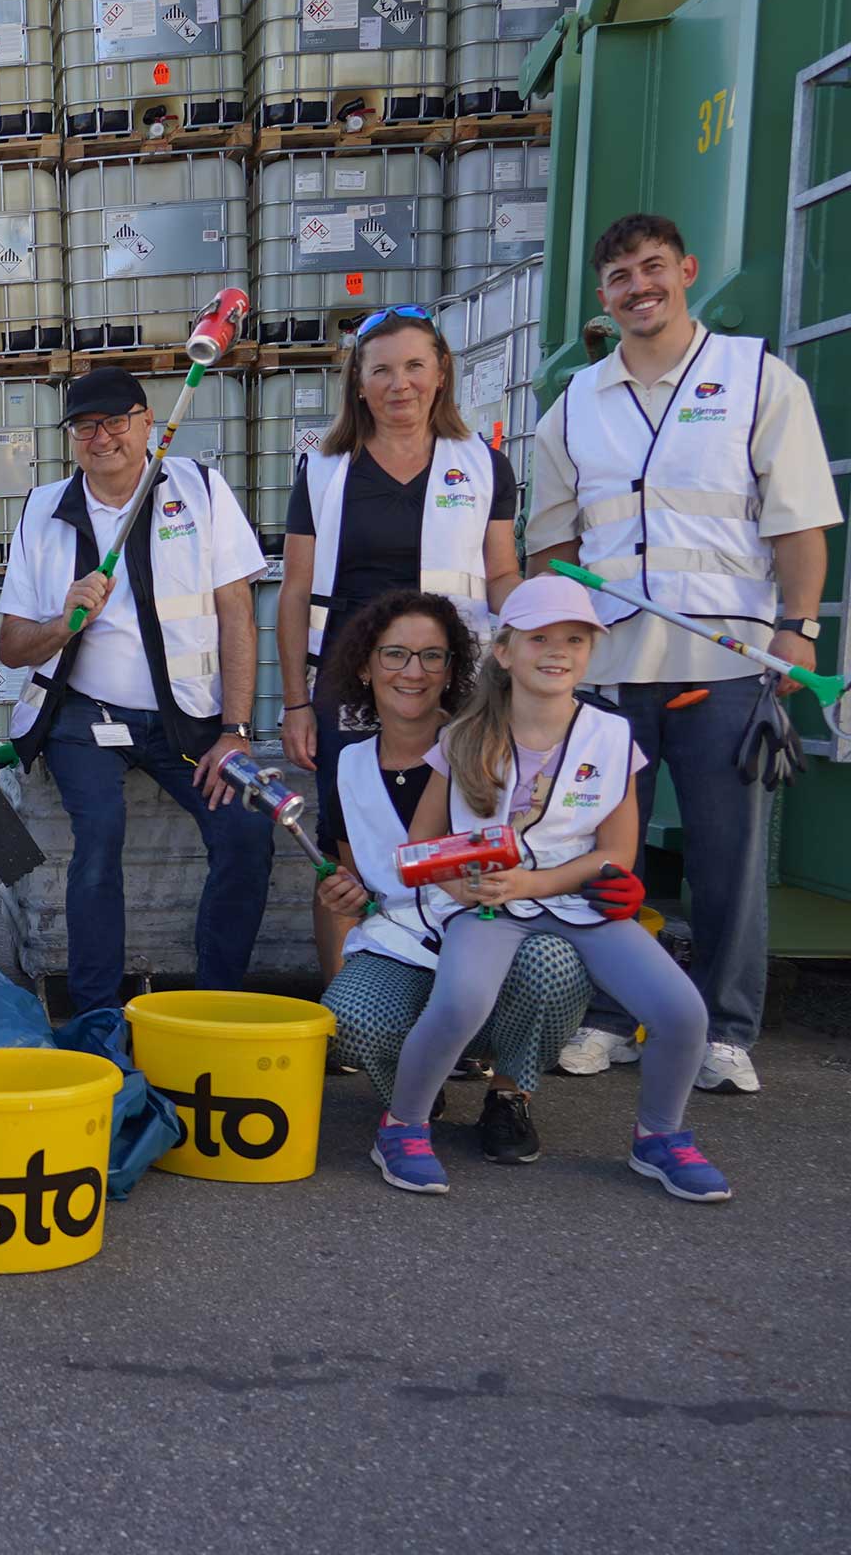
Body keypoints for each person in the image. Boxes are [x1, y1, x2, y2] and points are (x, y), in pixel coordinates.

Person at [527, 212, 841, 1095]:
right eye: (621, 276)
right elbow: (552, 549)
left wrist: (800, 629)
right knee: (598, 851)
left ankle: (726, 1027)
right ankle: (600, 1016)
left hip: (730, 664)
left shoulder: (757, 380)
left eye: (653, 268)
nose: (639, 287)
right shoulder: (574, 405)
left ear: (687, 271)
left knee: (725, 857)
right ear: (603, 297)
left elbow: (801, 522)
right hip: (608, 674)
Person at [371, 575, 729, 1201]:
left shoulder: (612, 735)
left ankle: (659, 1139)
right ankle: (402, 1126)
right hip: (488, 908)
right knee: (459, 1003)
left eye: (574, 638)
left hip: (573, 900)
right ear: (505, 652)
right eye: (539, 638)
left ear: (591, 651)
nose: (558, 651)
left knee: (681, 1012)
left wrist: (537, 881)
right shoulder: (462, 736)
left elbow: (616, 852)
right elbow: (420, 849)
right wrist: (458, 887)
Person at [0, 367, 274, 1017]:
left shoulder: (201, 490)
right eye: (85, 426)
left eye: (116, 421)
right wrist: (63, 620)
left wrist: (234, 731)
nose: (102, 438)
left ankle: (216, 1004)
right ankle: (97, 1017)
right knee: (100, 833)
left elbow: (238, 614)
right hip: (82, 719)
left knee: (245, 832)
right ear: (71, 437)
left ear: (148, 422)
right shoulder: (43, 509)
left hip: (190, 721)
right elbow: (11, 646)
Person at [279, 306, 522, 981]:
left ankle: (462, 998)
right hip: (352, 683)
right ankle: (348, 1003)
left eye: (415, 366)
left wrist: (531, 624)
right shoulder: (326, 471)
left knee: (463, 827)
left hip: (457, 679)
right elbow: (295, 590)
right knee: (345, 839)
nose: (400, 384)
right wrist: (297, 703)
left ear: (441, 374)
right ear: (359, 384)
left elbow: (502, 571)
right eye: (381, 369)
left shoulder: (482, 466)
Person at [310, 591, 591, 1163]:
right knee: (350, 1015)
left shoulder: (496, 749)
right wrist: (347, 894)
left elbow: (539, 850)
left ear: (452, 670)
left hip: (498, 933)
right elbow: (362, 882)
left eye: (432, 657)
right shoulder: (348, 764)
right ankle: (415, 1093)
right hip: (405, 946)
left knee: (555, 965)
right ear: (365, 668)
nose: (413, 672)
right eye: (394, 655)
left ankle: (509, 1095)